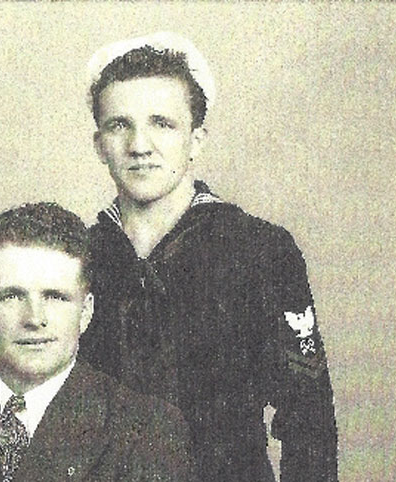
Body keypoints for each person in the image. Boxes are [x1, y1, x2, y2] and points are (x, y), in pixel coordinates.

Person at [79, 32, 338, 481]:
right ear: (99, 144)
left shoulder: (259, 250)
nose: (140, 145)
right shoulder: (79, 255)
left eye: (162, 123)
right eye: (120, 125)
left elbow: (309, 421)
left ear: (196, 140)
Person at [0, 203, 197, 481]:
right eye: (11, 296)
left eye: (55, 297)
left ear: (86, 312)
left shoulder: (147, 431)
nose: (34, 318)